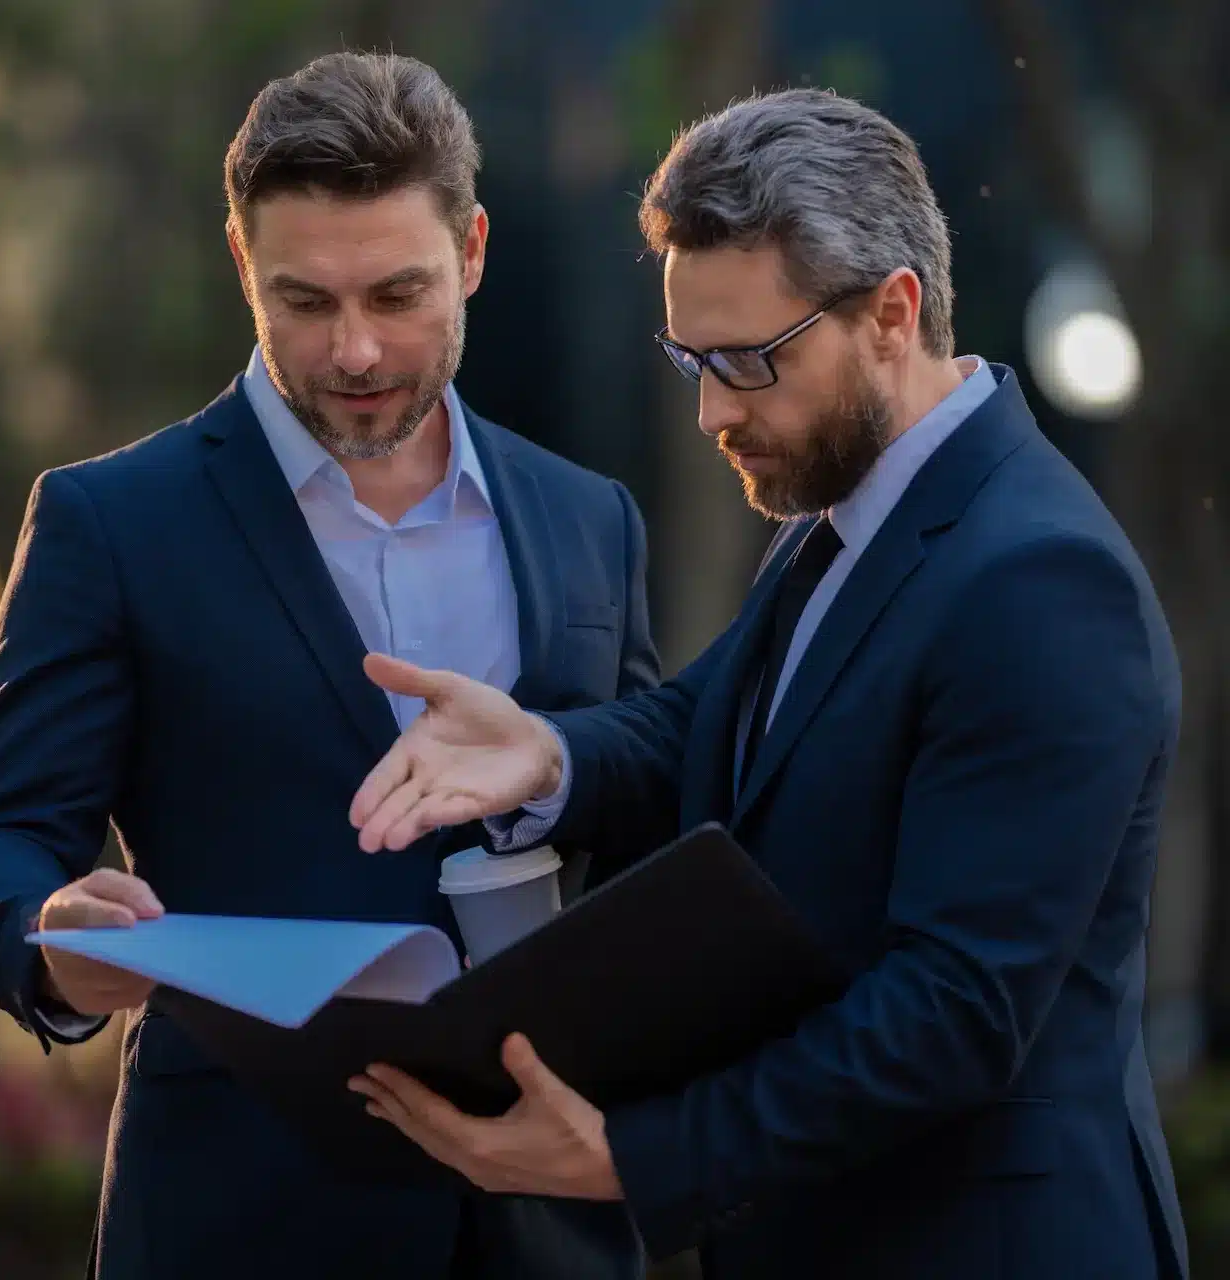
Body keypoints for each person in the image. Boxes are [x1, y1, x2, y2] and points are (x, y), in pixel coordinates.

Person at [347, 88, 1190, 1280]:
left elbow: (951, 1011)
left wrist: (632, 1152)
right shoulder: (840, 505)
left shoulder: (1041, 581)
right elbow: (736, 722)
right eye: (691, 359)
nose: (711, 412)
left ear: (892, 312)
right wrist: (551, 754)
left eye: (747, 361)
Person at [0, 52, 657, 1280]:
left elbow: (647, 791)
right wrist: (43, 936)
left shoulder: (589, 514)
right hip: (235, 1214)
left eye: (398, 294)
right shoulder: (110, 521)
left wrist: (552, 773)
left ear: (473, 249)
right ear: (240, 263)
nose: (355, 351)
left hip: (548, 1222)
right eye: (304, 300)